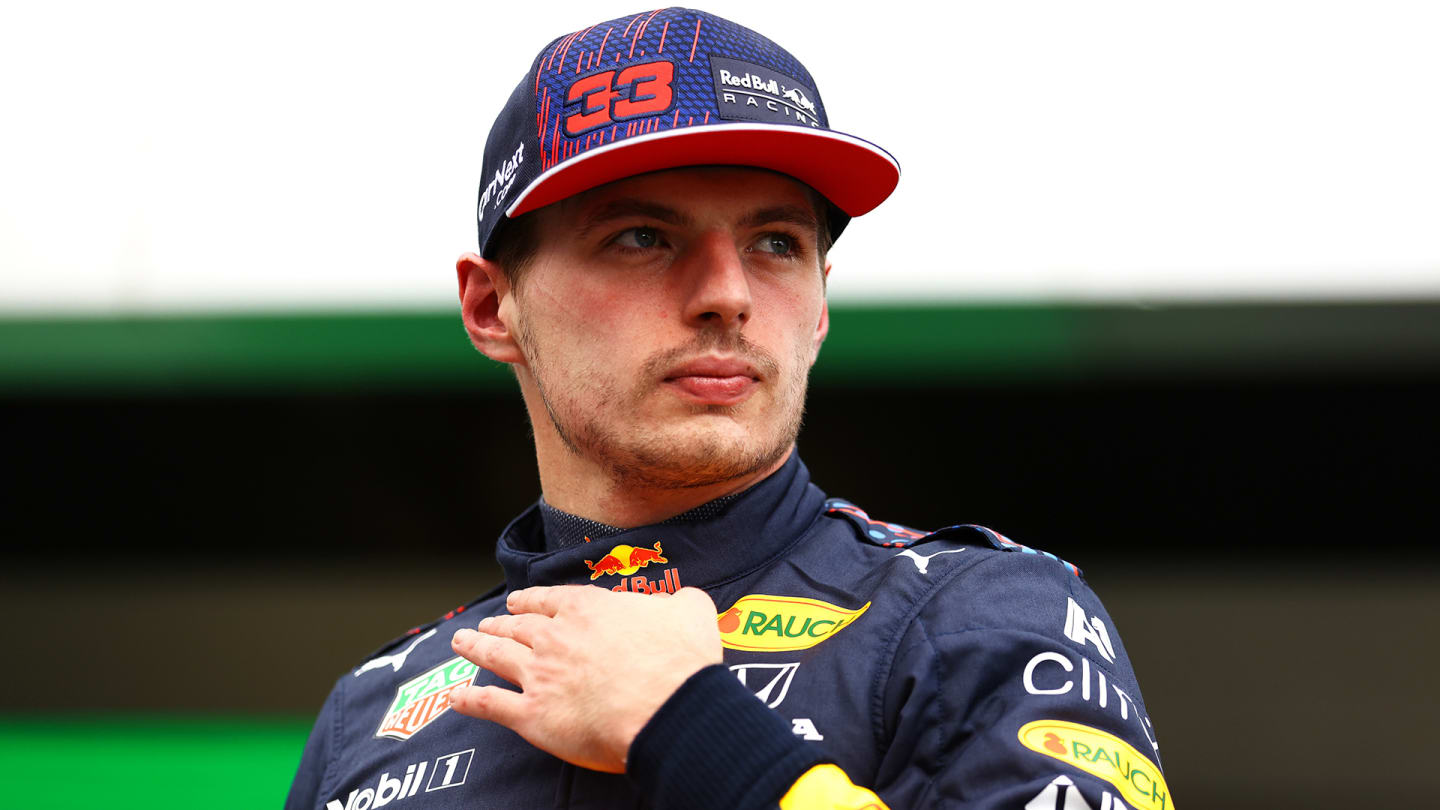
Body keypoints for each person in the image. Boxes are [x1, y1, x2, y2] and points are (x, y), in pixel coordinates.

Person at [286, 8, 1170, 810]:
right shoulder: (374, 711)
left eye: (775, 243)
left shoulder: (980, 618)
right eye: (642, 237)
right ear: (490, 308)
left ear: (819, 306)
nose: (726, 294)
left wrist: (695, 730)